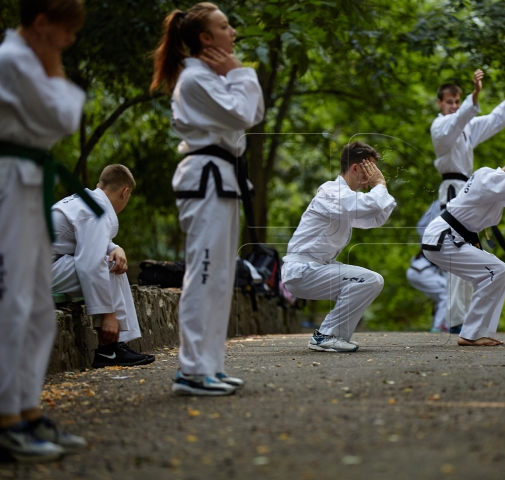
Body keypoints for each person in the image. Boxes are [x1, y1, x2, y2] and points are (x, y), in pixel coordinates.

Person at [0, 0, 90, 462]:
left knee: (37, 304)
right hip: (8, 182)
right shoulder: (11, 61)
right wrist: (55, 69)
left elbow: (59, 115)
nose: (67, 43)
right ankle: (6, 422)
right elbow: (65, 117)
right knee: (9, 301)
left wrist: (53, 71)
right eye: (65, 33)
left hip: (28, 182)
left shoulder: (28, 60)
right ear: (43, 23)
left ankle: (29, 412)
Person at [151, 2, 264, 395]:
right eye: (224, 26)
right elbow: (245, 115)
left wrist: (233, 74)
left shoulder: (210, 76)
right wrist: (238, 72)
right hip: (207, 179)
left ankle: (210, 366)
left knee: (219, 278)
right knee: (203, 275)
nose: (232, 32)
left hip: (222, 179)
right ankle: (191, 371)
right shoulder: (195, 80)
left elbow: (251, 112)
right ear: (205, 38)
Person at [431, 70, 505, 334]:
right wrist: (473, 98)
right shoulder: (440, 128)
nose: (454, 106)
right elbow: (456, 123)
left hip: (468, 192)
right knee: (456, 250)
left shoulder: (467, 128)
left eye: (457, 101)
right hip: (453, 192)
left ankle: (461, 317)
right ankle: (455, 319)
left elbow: (494, 120)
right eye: (449, 102)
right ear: (440, 103)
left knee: (468, 249)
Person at [422, 149, 505, 346]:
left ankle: (476, 332)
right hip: (444, 238)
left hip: (450, 238)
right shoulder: (490, 177)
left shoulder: (498, 187)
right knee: (496, 272)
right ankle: (470, 334)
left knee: (500, 272)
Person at [282, 142, 396, 352]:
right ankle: (326, 335)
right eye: (370, 168)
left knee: (370, 281)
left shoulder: (345, 198)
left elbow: (375, 218)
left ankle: (332, 336)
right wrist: (379, 185)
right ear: (355, 168)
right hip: (303, 271)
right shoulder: (332, 191)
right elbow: (370, 205)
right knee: (370, 279)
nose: (373, 174)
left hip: (315, 269)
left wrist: (381, 188)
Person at [52, 165, 155, 368]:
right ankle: (109, 348)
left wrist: (116, 248)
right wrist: (108, 315)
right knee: (108, 267)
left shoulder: (87, 201)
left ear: (100, 185)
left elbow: (86, 239)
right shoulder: (95, 211)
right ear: (125, 192)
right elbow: (90, 264)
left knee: (113, 262)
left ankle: (114, 347)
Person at [407, 201, 448, 332]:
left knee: (445, 292)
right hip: (421, 270)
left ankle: (444, 324)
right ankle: (438, 327)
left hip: (425, 270)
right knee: (447, 292)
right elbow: (421, 226)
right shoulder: (440, 204)